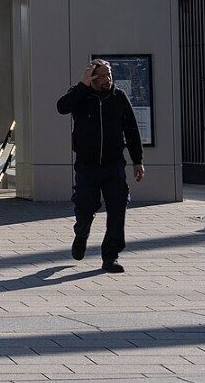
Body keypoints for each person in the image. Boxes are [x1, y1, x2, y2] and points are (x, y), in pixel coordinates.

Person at [56, 59, 144, 274]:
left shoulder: (118, 97)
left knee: (117, 209)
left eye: (109, 75)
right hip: (88, 166)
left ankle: (110, 257)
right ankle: (82, 233)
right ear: (92, 77)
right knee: (86, 207)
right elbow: (62, 107)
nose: (107, 79)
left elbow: (131, 129)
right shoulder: (80, 95)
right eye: (102, 76)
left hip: (114, 166)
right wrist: (82, 85)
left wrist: (138, 160)